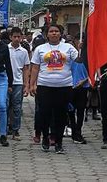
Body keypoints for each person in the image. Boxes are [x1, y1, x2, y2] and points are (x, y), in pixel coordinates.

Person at [29, 24, 78, 154]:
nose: (54, 33)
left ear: (61, 33)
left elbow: (78, 59)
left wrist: (82, 47)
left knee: (61, 115)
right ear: (47, 34)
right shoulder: (40, 49)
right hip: (45, 86)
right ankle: (45, 138)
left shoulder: (68, 48)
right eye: (51, 31)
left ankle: (59, 142)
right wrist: (32, 84)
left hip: (64, 86)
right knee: (44, 114)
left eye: (57, 31)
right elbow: (35, 67)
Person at [7, 27, 30, 141]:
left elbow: (26, 69)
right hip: (5, 82)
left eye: (18, 37)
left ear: (21, 38)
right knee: (5, 106)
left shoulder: (24, 52)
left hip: (18, 82)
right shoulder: (5, 49)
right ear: (10, 37)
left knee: (17, 107)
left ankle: (16, 130)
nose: (16, 39)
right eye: (14, 36)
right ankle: (7, 127)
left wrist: (26, 85)